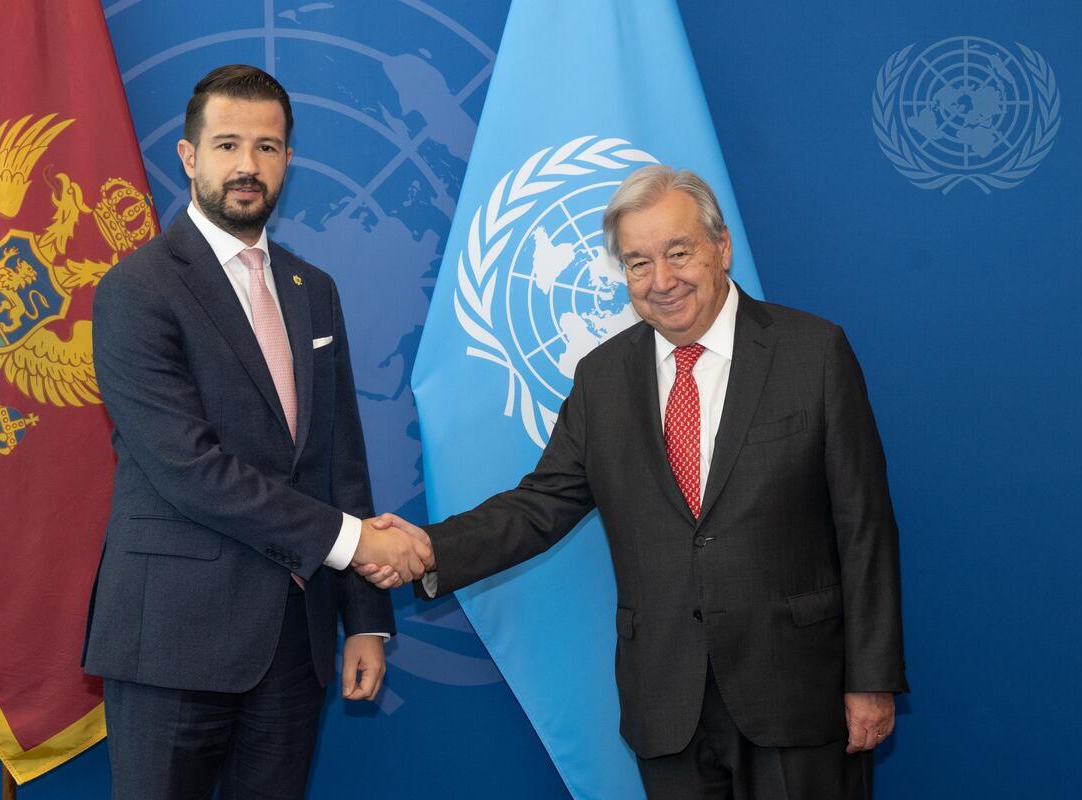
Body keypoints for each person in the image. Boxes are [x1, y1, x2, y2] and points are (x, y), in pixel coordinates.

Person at [362, 167, 907, 798]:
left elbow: (864, 528)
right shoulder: (603, 378)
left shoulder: (812, 352)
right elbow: (540, 505)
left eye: (679, 253)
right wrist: (430, 548)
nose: (661, 281)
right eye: (638, 263)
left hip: (797, 691)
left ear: (721, 247)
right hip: (667, 701)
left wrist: (872, 678)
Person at [81, 64, 432, 800]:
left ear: (288, 160)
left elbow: (340, 459)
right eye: (228, 145)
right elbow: (189, 470)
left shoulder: (313, 289)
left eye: (267, 147)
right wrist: (357, 543)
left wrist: (366, 620)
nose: (248, 165)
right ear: (189, 157)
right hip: (172, 642)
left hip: (292, 644)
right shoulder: (136, 290)